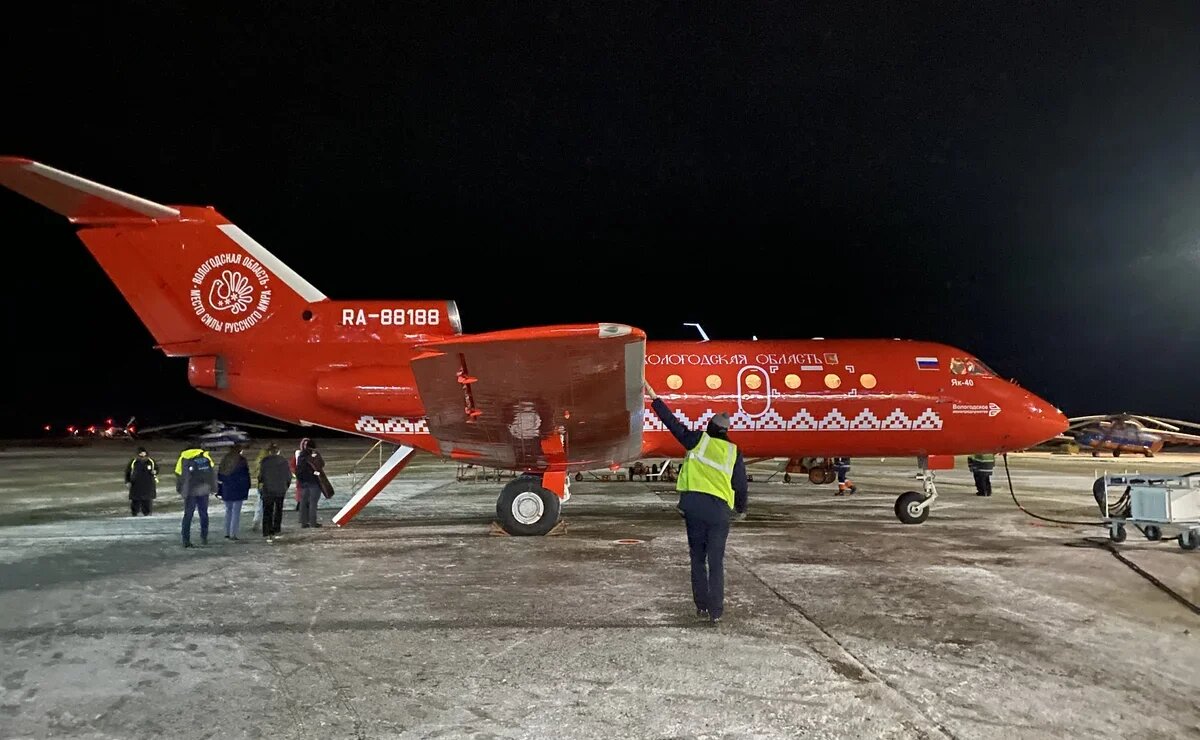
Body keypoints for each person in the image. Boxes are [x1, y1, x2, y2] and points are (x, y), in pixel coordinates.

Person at [644, 381, 748, 625]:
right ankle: (716, 611)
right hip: (719, 512)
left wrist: (655, 400)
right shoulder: (733, 452)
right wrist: (741, 509)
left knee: (698, 560)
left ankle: (701, 606)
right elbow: (741, 485)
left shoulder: (698, 440)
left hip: (694, 508)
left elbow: (673, 424)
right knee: (716, 561)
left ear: (709, 427)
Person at [175, 443, 216, 548]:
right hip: (204, 490)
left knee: (188, 515)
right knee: (204, 513)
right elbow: (212, 473)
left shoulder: (183, 457)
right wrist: (214, 488)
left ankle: (186, 540)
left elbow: (179, 474)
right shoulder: (205, 456)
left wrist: (180, 489)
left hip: (190, 490)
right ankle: (204, 537)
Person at [257, 443, 292, 541]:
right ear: (278, 451)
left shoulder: (264, 461)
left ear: (269, 452)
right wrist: (286, 486)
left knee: (267, 510)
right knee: (278, 509)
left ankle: (267, 530)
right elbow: (288, 476)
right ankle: (276, 528)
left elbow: (261, 476)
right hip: (280, 489)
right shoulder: (284, 461)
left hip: (268, 489)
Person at [217, 444, 251, 539]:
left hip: (227, 488)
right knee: (236, 512)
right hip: (238, 489)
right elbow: (245, 475)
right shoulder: (242, 460)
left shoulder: (225, 459)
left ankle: (227, 532)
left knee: (228, 510)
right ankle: (233, 533)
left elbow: (219, 475)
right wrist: (247, 487)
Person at [296, 438, 327, 528]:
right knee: (313, 503)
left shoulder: (301, 455)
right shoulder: (315, 454)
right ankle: (313, 522)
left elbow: (298, 469)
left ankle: (303, 522)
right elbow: (321, 464)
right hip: (314, 482)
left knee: (303, 501)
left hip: (304, 482)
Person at [125, 446, 158, 516]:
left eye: (143, 452)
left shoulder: (151, 461)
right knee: (135, 500)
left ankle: (147, 513)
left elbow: (156, 469)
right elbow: (128, 472)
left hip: (148, 484)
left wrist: (155, 472)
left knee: (147, 500)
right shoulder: (134, 462)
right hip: (136, 484)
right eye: (141, 453)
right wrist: (127, 481)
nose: (142, 454)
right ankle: (134, 513)